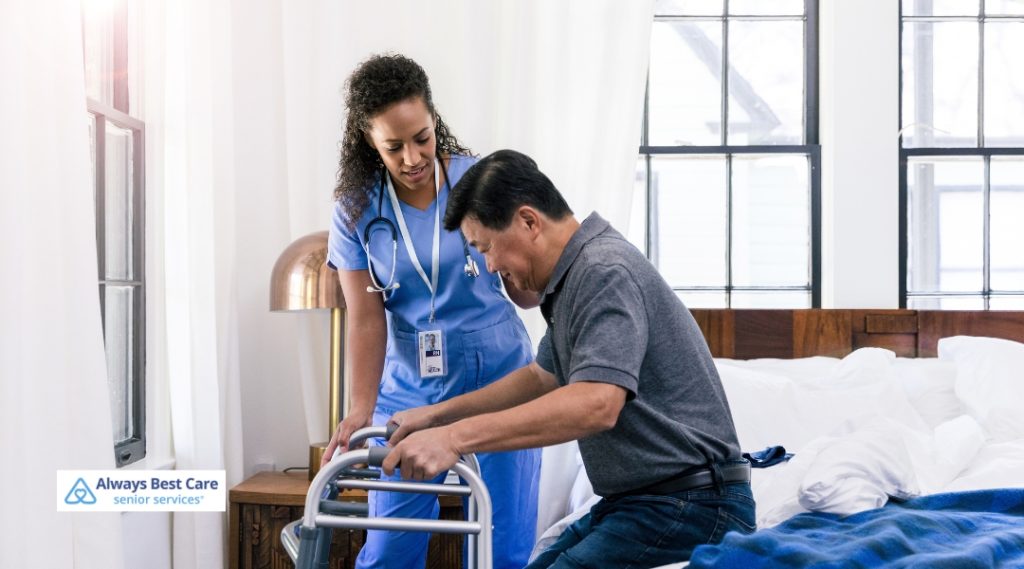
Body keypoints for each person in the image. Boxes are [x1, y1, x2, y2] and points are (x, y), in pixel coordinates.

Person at [384, 149, 756, 568]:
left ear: (528, 221)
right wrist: (436, 416)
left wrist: (454, 438)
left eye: (487, 247)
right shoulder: (575, 275)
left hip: (693, 504)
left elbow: (597, 403)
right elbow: (542, 378)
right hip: (646, 502)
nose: (489, 266)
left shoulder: (603, 271)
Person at [324, 55, 541, 569]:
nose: (413, 157)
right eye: (393, 146)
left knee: (502, 544)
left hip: (500, 372)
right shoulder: (356, 208)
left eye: (422, 137)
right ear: (368, 140)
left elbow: (529, 278)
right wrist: (361, 406)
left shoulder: (479, 181)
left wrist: (527, 278)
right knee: (389, 546)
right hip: (412, 382)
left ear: (434, 119)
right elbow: (364, 315)